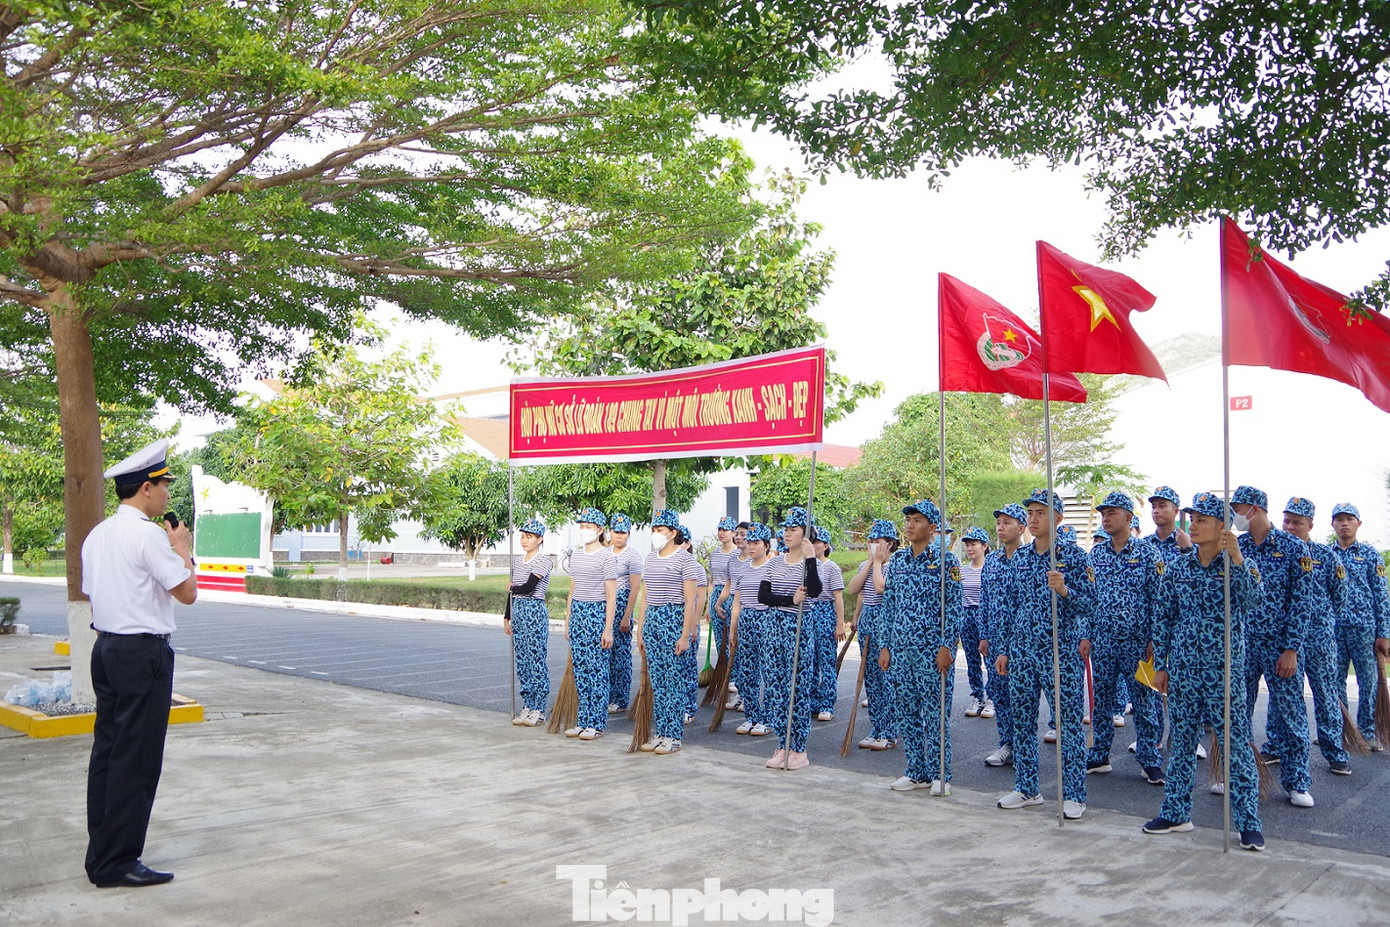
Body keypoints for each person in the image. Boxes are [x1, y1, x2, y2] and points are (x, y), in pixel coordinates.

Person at [82, 438, 197, 889]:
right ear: (146, 488)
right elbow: (187, 593)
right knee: (138, 758)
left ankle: (102, 855)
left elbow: (94, 596)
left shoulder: (99, 534)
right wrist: (182, 548)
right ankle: (118, 862)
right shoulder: (149, 535)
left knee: (109, 754)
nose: (168, 493)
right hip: (142, 654)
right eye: (164, 484)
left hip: (107, 649)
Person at [1142, 492, 1266, 851]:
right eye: (1192, 519)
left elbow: (1253, 600)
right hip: (1183, 671)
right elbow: (1163, 618)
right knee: (1181, 742)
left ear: (1222, 526)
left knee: (1234, 746)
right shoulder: (1178, 567)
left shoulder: (1238, 564)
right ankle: (1176, 812)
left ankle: (1248, 822)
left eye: (1202, 520)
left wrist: (1237, 558)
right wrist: (1161, 666)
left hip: (1224, 672)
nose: (1193, 526)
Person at [995, 489, 1095, 820]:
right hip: (1023, 652)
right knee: (1022, 721)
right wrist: (1004, 649)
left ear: (1058, 518)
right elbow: (1011, 606)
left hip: (1059, 653)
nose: (1034, 519)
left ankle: (1074, 794)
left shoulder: (1075, 557)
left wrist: (1065, 590)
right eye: (1031, 513)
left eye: (1042, 513)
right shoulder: (1021, 557)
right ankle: (1027, 787)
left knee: (1067, 725)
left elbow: (1091, 605)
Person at [1231, 485, 1317, 808]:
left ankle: (1297, 782)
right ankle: (1238, 774)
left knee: (1291, 715)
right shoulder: (1237, 547)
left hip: (1280, 646)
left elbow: (1302, 603)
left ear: (1255, 509)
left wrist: (1292, 649)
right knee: (1237, 712)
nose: (1235, 516)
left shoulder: (1294, 548)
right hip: (1243, 644)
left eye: (1238, 509)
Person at [879, 499, 963, 794]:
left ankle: (941, 775)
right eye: (908, 520)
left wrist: (947, 646)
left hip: (931, 650)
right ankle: (916, 771)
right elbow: (889, 605)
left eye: (917, 520)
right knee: (907, 712)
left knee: (936, 715)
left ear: (932, 527)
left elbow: (954, 607)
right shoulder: (899, 561)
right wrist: (885, 645)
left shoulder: (946, 561)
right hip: (901, 649)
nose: (910, 525)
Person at [1085, 492, 1164, 784]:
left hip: (1138, 643)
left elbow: (1159, 600)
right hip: (1103, 641)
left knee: (1144, 702)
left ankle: (1149, 759)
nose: (1105, 518)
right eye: (1103, 514)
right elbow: (1089, 598)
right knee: (1102, 700)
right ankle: (1099, 754)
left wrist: (1155, 639)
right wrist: (1086, 635)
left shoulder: (1148, 554)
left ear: (1128, 518)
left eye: (1111, 513)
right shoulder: (1096, 555)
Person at [1279, 497, 1351, 774]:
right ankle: (1276, 745)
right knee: (1285, 695)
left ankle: (1335, 751)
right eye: (1287, 521)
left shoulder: (1326, 556)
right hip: (1286, 640)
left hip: (1319, 639)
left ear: (1310, 525)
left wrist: (1322, 620)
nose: (1290, 527)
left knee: (1325, 693)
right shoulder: (1277, 554)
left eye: (1297, 523)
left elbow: (1340, 596)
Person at [758, 507, 823, 769]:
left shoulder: (811, 563)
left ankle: (798, 747)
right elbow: (763, 596)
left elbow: (815, 591)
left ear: (805, 534)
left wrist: (810, 559)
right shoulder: (774, 562)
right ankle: (782, 744)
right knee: (776, 687)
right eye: (785, 529)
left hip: (798, 628)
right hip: (774, 626)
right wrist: (789, 599)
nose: (787, 533)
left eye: (793, 529)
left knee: (797, 687)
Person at [634, 509, 702, 754]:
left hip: (673, 618)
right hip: (653, 619)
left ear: (673, 533)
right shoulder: (651, 558)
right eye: (654, 530)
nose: (656, 534)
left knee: (674, 680)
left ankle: (673, 736)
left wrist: (685, 635)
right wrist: (641, 631)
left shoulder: (685, 560)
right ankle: (661, 732)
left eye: (660, 530)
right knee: (658, 681)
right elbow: (645, 597)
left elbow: (690, 600)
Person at [1328, 503, 1390, 748]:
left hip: (1364, 629)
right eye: (1339, 519)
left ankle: (1367, 731)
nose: (1344, 523)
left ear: (1358, 523)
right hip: (1333, 630)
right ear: (1332, 524)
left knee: (1368, 682)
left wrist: (1383, 634)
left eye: (1349, 519)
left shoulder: (1370, 555)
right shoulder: (1326, 555)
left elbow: (1381, 596)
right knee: (1333, 680)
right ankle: (1340, 731)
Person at [562, 508, 617, 741]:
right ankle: (583, 720)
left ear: (599, 530)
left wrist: (608, 628)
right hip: (578, 613)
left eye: (588, 526)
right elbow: (572, 590)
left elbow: (611, 596)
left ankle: (596, 723)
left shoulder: (607, 557)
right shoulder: (576, 555)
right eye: (582, 526)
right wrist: (568, 621)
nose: (584, 530)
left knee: (597, 671)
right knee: (581, 670)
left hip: (596, 613)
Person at [846, 519, 900, 750]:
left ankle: (890, 732)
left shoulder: (896, 565)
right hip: (868, 621)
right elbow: (854, 589)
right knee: (871, 678)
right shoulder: (865, 565)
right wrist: (870, 563)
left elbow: (880, 588)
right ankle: (876, 728)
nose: (872, 544)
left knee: (888, 678)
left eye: (877, 541)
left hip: (886, 623)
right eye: (870, 540)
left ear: (890, 544)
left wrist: (878, 562)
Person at [981, 504, 1028, 768]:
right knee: (1000, 693)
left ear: (1021, 528)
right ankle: (1007, 743)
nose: (1000, 527)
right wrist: (984, 635)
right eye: (999, 523)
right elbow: (985, 600)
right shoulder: (992, 561)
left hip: (1023, 640)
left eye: (1007, 523)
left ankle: (1024, 747)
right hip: (996, 638)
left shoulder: (1030, 559)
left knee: (1023, 696)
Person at [507, 517, 553, 727]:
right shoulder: (518, 561)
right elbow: (512, 592)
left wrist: (512, 588)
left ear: (540, 539)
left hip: (533, 609)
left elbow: (528, 587)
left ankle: (539, 708)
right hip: (518, 609)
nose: (525, 541)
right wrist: (507, 616)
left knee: (536, 658)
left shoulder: (543, 561)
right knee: (522, 660)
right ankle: (528, 703)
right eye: (523, 536)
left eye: (530, 537)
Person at [729, 523, 774, 733]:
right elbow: (737, 601)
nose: (752, 546)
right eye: (750, 542)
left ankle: (769, 718)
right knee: (747, 671)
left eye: (757, 543)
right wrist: (733, 629)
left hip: (766, 619)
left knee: (769, 670)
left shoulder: (773, 567)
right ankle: (752, 716)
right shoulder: (744, 568)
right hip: (746, 619)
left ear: (766, 545)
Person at [606, 514, 643, 715]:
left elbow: (635, 588)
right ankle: (608, 694)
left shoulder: (632, 556)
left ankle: (620, 698)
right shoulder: (605, 553)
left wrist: (627, 615)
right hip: (605, 604)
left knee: (620, 654)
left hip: (622, 604)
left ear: (628, 534)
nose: (618, 536)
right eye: (615, 531)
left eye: (622, 532)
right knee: (606, 652)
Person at [810, 527, 848, 722]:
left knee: (826, 660)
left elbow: (838, 597)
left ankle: (826, 704)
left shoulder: (831, 567)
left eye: (818, 542)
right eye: (813, 542)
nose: (815, 545)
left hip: (825, 611)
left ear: (825, 546)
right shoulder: (806, 565)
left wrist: (839, 623)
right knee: (810, 660)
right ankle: (812, 702)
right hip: (809, 611)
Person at [678, 525, 710, 723]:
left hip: (689, 623)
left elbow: (700, 598)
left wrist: (694, 625)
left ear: (688, 544)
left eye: (681, 542)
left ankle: (688, 707)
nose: (678, 545)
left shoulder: (695, 567)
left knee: (688, 666)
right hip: (673, 621)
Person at [959, 527, 992, 719]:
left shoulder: (991, 569)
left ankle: (992, 698)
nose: (970, 548)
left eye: (974, 544)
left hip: (985, 615)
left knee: (990, 659)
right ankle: (977, 696)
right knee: (972, 660)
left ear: (984, 546)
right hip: (967, 617)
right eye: (967, 545)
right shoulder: (961, 570)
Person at [708, 516, 740, 670]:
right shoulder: (714, 554)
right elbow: (712, 580)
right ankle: (723, 671)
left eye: (725, 530)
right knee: (719, 638)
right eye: (719, 529)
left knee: (732, 637)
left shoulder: (738, 554)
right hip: (716, 595)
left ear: (733, 533)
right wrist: (710, 603)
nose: (721, 533)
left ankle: (734, 672)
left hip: (732, 595)